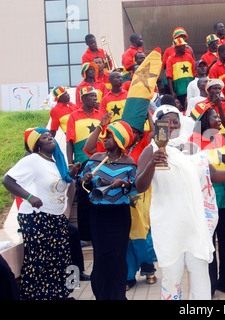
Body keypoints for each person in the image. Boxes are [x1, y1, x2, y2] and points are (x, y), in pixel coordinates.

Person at [134, 105, 225, 300]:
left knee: (201, 276)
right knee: (172, 278)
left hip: (195, 224)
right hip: (169, 226)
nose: (171, 125)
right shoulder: (151, 150)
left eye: (175, 121)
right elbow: (140, 186)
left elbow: (212, 174)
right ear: (158, 124)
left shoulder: (192, 148)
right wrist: (153, 162)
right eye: (166, 121)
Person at [2, 127, 80, 300]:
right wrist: (29, 197)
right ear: (37, 144)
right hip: (36, 217)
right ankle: (37, 296)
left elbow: (58, 186)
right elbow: (7, 180)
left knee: (61, 258)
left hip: (56, 218)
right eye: (45, 137)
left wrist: (72, 174)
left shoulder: (55, 163)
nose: (50, 138)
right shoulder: (33, 160)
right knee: (39, 260)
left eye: (51, 136)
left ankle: (60, 294)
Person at [189, 104, 225, 295]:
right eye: (215, 117)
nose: (219, 120)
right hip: (205, 200)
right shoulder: (192, 143)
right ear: (204, 120)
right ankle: (210, 285)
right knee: (208, 244)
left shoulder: (222, 137)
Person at [79, 120, 137, 300]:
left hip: (119, 215)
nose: (104, 139)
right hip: (98, 215)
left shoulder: (129, 162)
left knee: (118, 256)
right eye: (105, 136)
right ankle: (101, 295)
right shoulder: (96, 157)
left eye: (110, 136)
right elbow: (81, 183)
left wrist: (124, 184)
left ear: (120, 139)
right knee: (101, 256)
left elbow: (136, 187)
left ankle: (118, 295)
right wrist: (87, 179)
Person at [66, 86, 103, 241]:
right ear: (83, 99)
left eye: (96, 96)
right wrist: (70, 164)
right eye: (91, 96)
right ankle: (84, 236)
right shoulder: (73, 116)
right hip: (82, 162)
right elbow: (69, 142)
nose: (95, 99)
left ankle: (98, 233)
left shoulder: (101, 115)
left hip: (99, 162)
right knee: (83, 199)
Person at [166, 37, 197, 109]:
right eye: (183, 46)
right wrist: (172, 92)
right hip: (180, 91)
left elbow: (195, 72)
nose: (185, 47)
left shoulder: (189, 57)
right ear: (177, 47)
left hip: (191, 89)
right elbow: (169, 77)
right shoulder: (170, 60)